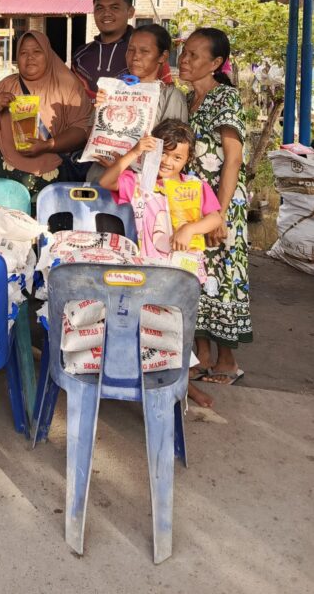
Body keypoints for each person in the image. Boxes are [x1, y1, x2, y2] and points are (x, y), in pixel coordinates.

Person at [98, 119, 221, 407]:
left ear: (187, 159)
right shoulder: (139, 183)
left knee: (177, 329)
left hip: (182, 274)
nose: (168, 162)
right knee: (146, 326)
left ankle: (182, 384)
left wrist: (190, 229)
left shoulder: (194, 186)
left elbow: (216, 218)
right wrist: (134, 152)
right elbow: (105, 182)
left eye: (177, 157)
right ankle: (150, 380)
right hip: (146, 270)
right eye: (162, 153)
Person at [179, 26, 250, 385]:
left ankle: (227, 362)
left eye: (193, 54)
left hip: (221, 205)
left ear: (216, 62)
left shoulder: (225, 98)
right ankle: (202, 356)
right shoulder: (187, 100)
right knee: (198, 277)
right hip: (191, 205)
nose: (184, 60)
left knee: (222, 280)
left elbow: (233, 159)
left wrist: (219, 213)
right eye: (184, 52)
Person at [0, 31, 91, 202]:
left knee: (44, 227)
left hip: (50, 182)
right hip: (4, 181)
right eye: (23, 53)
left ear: (48, 54)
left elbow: (83, 131)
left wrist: (47, 145)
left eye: (37, 52)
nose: (30, 57)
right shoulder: (6, 86)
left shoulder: (68, 87)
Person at [87, 24, 187, 182]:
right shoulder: (112, 89)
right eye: (130, 50)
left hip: (140, 190)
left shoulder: (170, 96)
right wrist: (101, 111)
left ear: (163, 57)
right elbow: (89, 137)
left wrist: (123, 164)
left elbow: (172, 151)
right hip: (99, 180)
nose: (135, 56)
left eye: (144, 51)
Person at [73, 0, 173, 101]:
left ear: (130, 12)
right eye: (99, 8)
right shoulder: (80, 55)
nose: (106, 13)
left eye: (114, 7)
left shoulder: (148, 52)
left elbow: (167, 99)